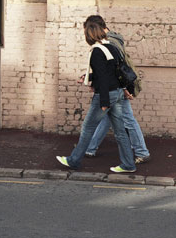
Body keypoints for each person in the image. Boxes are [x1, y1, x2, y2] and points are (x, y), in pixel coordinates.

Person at [56, 21, 137, 173]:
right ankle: (128, 164)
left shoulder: (97, 52)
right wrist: (89, 76)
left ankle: (74, 160)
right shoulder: (112, 48)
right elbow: (113, 72)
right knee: (120, 132)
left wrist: (104, 102)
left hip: (105, 95)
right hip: (118, 93)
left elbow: (104, 78)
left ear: (89, 35)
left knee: (88, 128)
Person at [80, 15, 152, 164]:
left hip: (117, 87)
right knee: (107, 117)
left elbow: (115, 69)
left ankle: (142, 152)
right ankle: (90, 148)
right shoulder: (115, 39)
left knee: (127, 119)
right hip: (118, 86)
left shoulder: (109, 43)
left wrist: (124, 88)